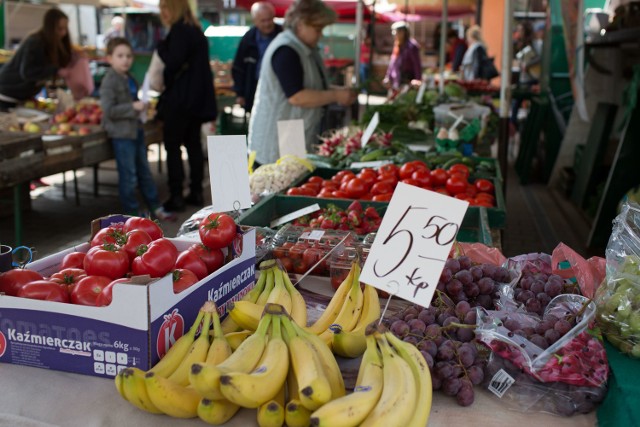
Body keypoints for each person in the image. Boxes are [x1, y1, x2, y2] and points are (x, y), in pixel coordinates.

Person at [248, 0, 356, 166]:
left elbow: (311, 85)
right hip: (278, 139)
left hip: (292, 134)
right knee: (277, 186)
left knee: (293, 179)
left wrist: (339, 92)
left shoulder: (304, 47)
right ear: (301, 25)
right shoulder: (286, 50)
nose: (320, 34)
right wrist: (336, 95)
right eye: (317, 29)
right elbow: (297, 96)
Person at [100, 37, 175, 221]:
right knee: (129, 177)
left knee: (144, 172)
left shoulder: (130, 77)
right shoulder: (109, 81)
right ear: (109, 58)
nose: (125, 59)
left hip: (136, 131)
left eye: (128, 55)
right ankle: (131, 216)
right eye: (120, 56)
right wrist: (132, 107)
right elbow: (108, 110)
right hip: (122, 135)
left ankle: (155, 207)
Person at [157, 0, 217, 212]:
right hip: (196, 100)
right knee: (193, 145)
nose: (161, 13)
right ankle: (196, 191)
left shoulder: (179, 31)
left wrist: (161, 46)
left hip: (181, 100)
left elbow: (173, 62)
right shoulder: (196, 30)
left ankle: (176, 196)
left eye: (164, 8)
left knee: (173, 146)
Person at [0, 8, 72, 111]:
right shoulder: (35, 42)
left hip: (23, 95)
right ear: (50, 27)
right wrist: (55, 70)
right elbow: (27, 72)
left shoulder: (51, 44)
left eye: (65, 28)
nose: (63, 33)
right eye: (60, 29)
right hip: (9, 92)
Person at [231, 2, 282, 113]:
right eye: (263, 21)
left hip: (280, 89)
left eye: (269, 19)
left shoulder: (282, 35)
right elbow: (238, 67)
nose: (267, 24)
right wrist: (240, 93)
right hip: (254, 89)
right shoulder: (248, 39)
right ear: (255, 21)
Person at [511, 21, 542, 125]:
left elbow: (539, 57)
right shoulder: (520, 43)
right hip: (524, 78)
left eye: (520, 30)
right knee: (516, 102)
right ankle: (514, 123)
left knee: (518, 101)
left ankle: (514, 123)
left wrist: (527, 65)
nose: (518, 32)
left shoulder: (534, 43)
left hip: (531, 78)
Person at [383, 21, 421, 89]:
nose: (394, 34)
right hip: (396, 81)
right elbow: (392, 63)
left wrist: (418, 79)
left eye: (395, 32)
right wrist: (388, 77)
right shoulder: (397, 45)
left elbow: (416, 64)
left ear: (402, 32)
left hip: (407, 82)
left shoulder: (412, 46)